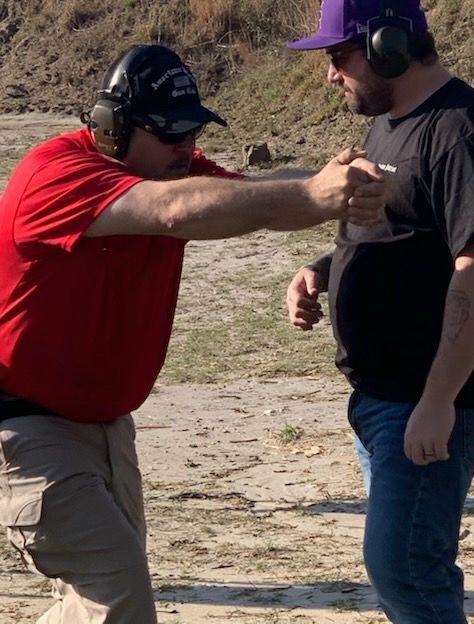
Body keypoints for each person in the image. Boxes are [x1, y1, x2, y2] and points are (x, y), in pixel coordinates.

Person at [0, 43, 386, 624]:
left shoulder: (170, 168)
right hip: (29, 429)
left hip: (105, 428)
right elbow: (174, 210)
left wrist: (329, 182)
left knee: (98, 601)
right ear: (111, 128)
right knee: (119, 594)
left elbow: (248, 196)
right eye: (170, 133)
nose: (186, 147)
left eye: (193, 132)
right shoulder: (56, 176)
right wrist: (313, 194)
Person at [286, 0, 474, 624]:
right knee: (413, 569)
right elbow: (401, 232)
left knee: (405, 571)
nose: (330, 75)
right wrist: (321, 270)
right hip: (384, 396)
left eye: (338, 56)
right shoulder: (393, 125)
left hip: (426, 400)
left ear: (386, 46)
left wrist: (439, 402)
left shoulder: (464, 133)